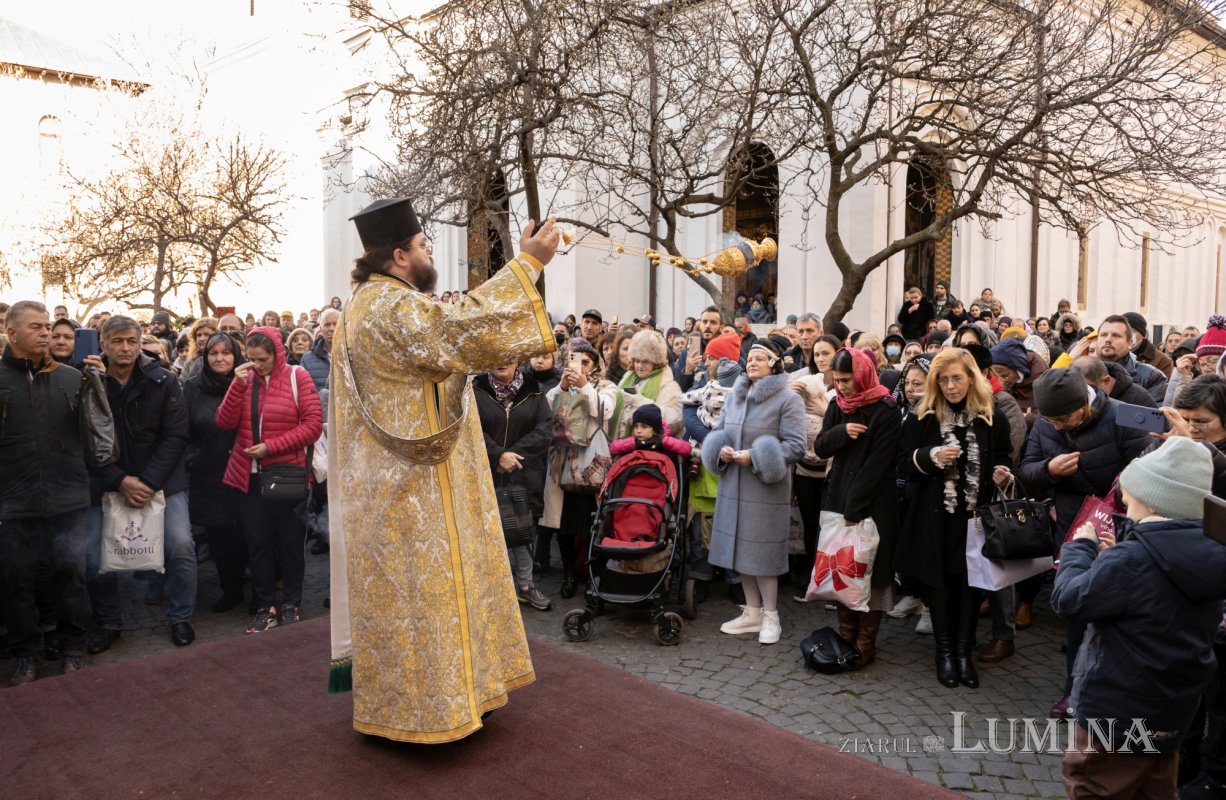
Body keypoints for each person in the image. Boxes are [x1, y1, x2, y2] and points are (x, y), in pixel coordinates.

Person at [328, 198, 559, 743]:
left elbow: (441, 354)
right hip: (411, 485)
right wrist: (528, 264)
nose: (431, 254)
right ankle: (429, 713)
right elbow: (458, 331)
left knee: (419, 595)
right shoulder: (391, 306)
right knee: (422, 596)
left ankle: (456, 695)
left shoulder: (366, 304)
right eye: (425, 246)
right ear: (401, 256)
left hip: (391, 480)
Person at [1053, 436, 1226, 800]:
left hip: (1116, 711)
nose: (1124, 504)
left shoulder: (1132, 561)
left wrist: (1079, 551)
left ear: (1151, 499)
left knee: (1095, 787)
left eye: (1129, 496)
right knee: (1153, 790)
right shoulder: (1212, 555)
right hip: (1171, 712)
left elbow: (1070, 600)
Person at [1019, 366, 1150, 717]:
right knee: (1077, 612)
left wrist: (1116, 498)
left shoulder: (1124, 417)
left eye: (1064, 418)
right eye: (1051, 420)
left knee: (1119, 613)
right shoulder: (1047, 423)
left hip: (1119, 528)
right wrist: (1049, 470)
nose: (1058, 425)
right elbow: (1026, 469)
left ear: (1085, 402)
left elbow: (1145, 474)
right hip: (1072, 528)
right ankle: (1074, 692)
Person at [898, 348, 1014, 688]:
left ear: (971, 378)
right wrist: (930, 456)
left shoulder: (989, 415)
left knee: (970, 586)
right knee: (940, 586)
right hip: (935, 519)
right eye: (943, 379)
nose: (950, 386)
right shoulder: (923, 415)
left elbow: (1004, 456)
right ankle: (944, 654)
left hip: (975, 519)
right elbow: (903, 462)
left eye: (957, 378)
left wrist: (1002, 472)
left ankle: (964, 654)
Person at [83, 316, 195, 651]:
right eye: (117, 341)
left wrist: (146, 482)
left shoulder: (163, 380)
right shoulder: (87, 379)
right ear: (102, 343)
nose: (125, 348)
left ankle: (180, 617)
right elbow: (85, 440)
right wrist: (119, 479)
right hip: (107, 481)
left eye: (131, 340)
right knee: (92, 554)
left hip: (162, 481)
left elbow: (176, 437)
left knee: (181, 546)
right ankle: (108, 622)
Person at [0, 302, 92, 684]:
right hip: (13, 502)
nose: (46, 333)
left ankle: (71, 647)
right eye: (36, 327)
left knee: (71, 577)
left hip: (67, 498)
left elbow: (95, 440)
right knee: (17, 582)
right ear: (11, 333)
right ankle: (27, 653)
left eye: (48, 326)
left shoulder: (73, 379)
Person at [216, 328, 322, 634]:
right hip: (248, 478)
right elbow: (223, 422)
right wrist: (236, 386)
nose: (256, 365)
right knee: (258, 545)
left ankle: (291, 603)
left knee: (290, 545)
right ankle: (265, 606)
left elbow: (313, 426)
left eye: (262, 359)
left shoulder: (297, 377)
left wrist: (270, 447)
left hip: (286, 475)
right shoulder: (244, 380)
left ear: (278, 354)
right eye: (251, 359)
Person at [703, 338, 807, 645]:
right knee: (740, 550)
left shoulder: (788, 399)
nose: (752, 362)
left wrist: (757, 455)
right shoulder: (736, 395)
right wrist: (720, 448)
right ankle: (751, 612)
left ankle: (771, 615)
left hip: (765, 487)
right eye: (750, 357)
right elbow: (720, 430)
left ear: (774, 363)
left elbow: (796, 446)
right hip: (734, 482)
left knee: (763, 553)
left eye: (760, 358)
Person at [814, 347, 902, 664]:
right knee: (843, 570)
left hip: (875, 506)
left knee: (871, 573)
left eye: (848, 380)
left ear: (862, 374)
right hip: (838, 498)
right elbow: (821, 446)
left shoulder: (887, 409)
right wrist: (842, 432)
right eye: (837, 380)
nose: (843, 386)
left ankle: (866, 641)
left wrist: (854, 510)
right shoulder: (837, 405)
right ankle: (845, 634)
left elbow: (878, 466)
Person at [542, 338, 620, 598]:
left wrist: (584, 385)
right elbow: (546, 411)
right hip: (563, 463)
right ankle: (568, 574)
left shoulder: (606, 387)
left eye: (585, 362)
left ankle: (592, 574)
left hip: (590, 465)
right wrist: (562, 388)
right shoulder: (562, 387)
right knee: (563, 525)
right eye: (574, 361)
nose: (579, 367)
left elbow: (604, 410)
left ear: (595, 364)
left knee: (592, 524)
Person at [474, 362, 554, 612]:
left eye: (509, 357)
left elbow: (545, 430)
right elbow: (470, 427)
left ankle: (526, 586)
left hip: (521, 471)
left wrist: (510, 456)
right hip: (484, 470)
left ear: (518, 360)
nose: (503, 362)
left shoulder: (534, 390)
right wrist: (497, 455)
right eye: (498, 357)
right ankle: (489, 589)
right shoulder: (475, 388)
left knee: (521, 530)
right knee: (484, 531)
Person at [182, 333, 248, 613]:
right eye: (213, 353)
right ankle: (230, 589)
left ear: (236, 355)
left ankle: (259, 587)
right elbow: (181, 430)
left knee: (249, 532)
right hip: (209, 473)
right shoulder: (191, 388)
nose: (220, 358)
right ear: (205, 356)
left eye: (226, 353)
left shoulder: (249, 381)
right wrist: (193, 459)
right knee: (220, 538)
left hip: (246, 469)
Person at [611, 330, 683, 438]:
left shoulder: (669, 386)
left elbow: (675, 421)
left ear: (656, 363)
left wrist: (643, 404)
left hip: (646, 450)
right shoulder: (628, 378)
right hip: (618, 447)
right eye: (637, 361)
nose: (639, 366)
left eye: (645, 361)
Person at [610, 403, 692, 458]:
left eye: (644, 427)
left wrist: (664, 441)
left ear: (654, 429)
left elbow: (687, 449)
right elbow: (613, 448)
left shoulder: (663, 440)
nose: (638, 431)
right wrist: (634, 443)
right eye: (636, 426)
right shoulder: (633, 441)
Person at [1123, 311, 1174, 379]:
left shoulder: (1162, 360)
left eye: (1133, 331)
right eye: (1124, 331)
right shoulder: (1111, 354)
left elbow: (1161, 387)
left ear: (1143, 334)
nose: (1128, 335)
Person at [301, 307, 340, 392]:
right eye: (327, 324)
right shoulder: (307, 359)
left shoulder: (353, 355)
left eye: (336, 324)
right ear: (321, 328)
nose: (332, 329)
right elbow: (305, 392)